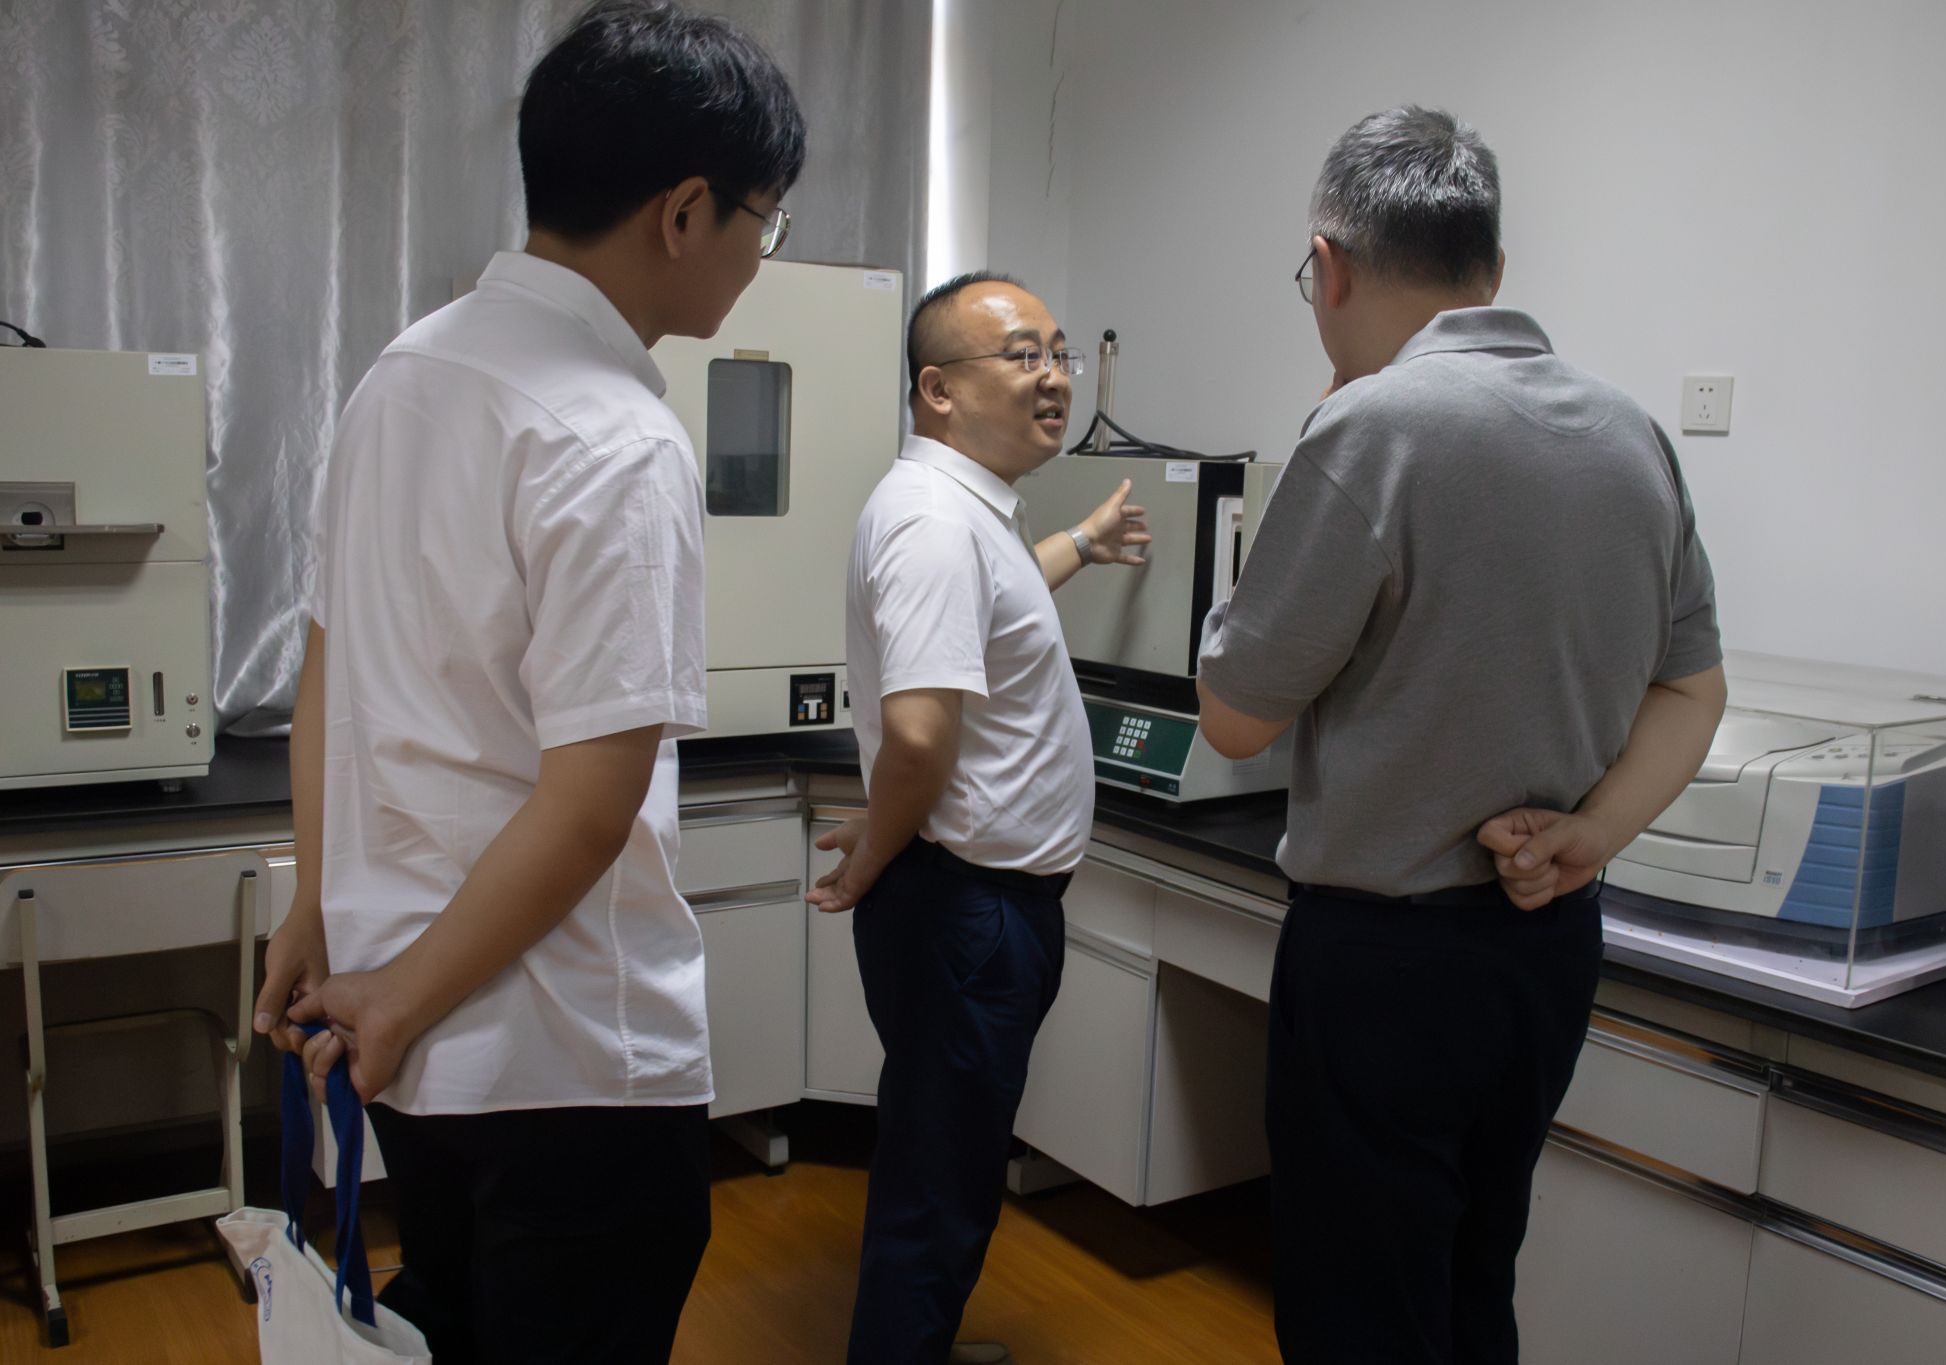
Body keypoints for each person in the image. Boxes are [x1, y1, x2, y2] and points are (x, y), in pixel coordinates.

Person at [249, 5, 806, 1360]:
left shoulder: (400, 373)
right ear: (685, 213)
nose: (758, 255)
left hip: (411, 1034)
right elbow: (590, 801)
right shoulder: (615, 436)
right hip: (565, 1060)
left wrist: (325, 909)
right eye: (763, 220)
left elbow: (329, 678)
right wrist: (399, 994)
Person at [1196, 106, 1726, 1364]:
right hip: (1545, 947)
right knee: (1473, 1279)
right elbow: (1691, 690)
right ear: (1490, 267)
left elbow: (1234, 716)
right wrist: (1586, 836)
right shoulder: (1630, 433)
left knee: (1357, 1311)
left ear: (1327, 265)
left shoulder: (1368, 428)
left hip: (1383, 963)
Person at [808, 271, 1149, 1365]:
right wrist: (872, 853)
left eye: (1057, 351)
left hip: (974, 905)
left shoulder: (967, 514)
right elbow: (917, 739)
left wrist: (1082, 542)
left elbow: (990, 614)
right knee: (938, 1182)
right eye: (1021, 355)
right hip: (964, 912)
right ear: (938, 389)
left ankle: (914, 1342)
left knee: (942, 1161)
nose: (1053, 376)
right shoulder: (932, 525)